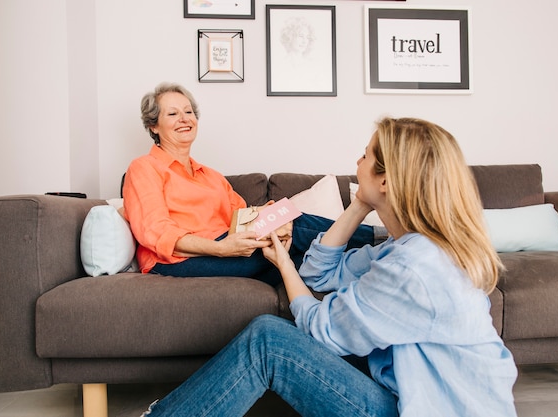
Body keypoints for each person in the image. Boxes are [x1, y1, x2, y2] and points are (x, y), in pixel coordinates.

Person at [140, 117, 518, 417]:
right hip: (408, 391)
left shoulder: (415, 268)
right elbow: (320, 275)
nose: (357, 162)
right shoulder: (407, 249)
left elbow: (322, 329)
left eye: (366, 156)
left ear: (385, 180)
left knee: (269, 339)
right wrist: (358, 205)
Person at [123, 82, 377, 285]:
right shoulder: (144, 168)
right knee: (296, 227)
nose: (184, 119)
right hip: (177, 260)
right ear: (153, 125)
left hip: (227, 245)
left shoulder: (210, 175)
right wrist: (220, 248)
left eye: (189, 112)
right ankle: (386, 239)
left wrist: (270, 214)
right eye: (173, 113)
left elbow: (241, 215)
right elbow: (156, 232)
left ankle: (381, 261)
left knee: (299, 249)